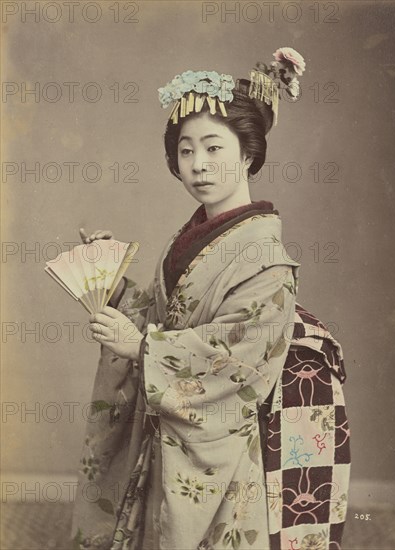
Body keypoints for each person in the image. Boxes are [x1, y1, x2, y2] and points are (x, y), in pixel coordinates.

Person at [70, 48, 350, 550]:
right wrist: (111, 286)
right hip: (176, 425)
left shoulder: (267, 259)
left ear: (247, 154)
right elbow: (167, 316)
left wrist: (142, 350)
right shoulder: (192, 238)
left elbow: (237, 363)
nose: (199, 165)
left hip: (219, 442)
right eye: (186, 150)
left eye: (214, 149)